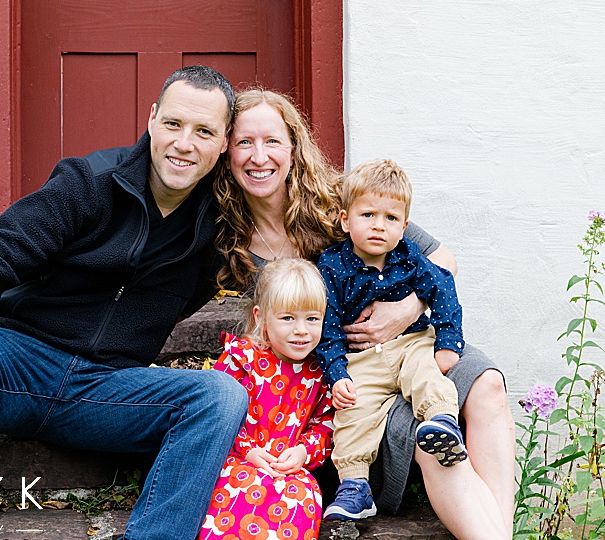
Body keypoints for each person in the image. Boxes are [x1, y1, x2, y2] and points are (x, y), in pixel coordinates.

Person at [0, 66, 249, 540]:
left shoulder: (218, 229)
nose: (184, 143)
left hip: (107, 390)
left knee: (220, 396)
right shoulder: (89, 182)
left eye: (204, 131)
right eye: (173, 124)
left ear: (222, 145)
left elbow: (314, 230)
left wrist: (396, 305)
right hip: (19, 362)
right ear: (151, 119)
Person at [214, 87, 515, 539]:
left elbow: (443, 261)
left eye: (272, 141)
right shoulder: (224, 230)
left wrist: (404, 309)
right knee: (428, 442)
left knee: (487, 384)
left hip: (412, 341)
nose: (260, 156)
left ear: (294, 145)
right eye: (245, 142)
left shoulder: (349, 200)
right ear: (226, 150)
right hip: (347, 376)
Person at [316, 159, 468, 522]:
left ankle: (443, 423)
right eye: (368, 214)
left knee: (426, 374)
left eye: (390, 218)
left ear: (404, 226)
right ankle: (355, 487)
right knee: (353, 410)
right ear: (344, 219)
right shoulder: (332, 266)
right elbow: (328, 325)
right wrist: (337, 375)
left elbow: (443, 287)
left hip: (411, 343)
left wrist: (448, 341)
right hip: (362, 359)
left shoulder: (410, 259)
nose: (378, 226)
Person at [199, 258, 335, 540]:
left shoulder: (320, 371)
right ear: (261, 316)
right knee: (237, 494)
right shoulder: (242, 358)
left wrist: (303, 453)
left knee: (304, 498)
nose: (301, 330)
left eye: (312, 318)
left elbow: (325, 424)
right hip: (238, 460)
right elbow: (213, 411)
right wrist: (246, 451)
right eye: (288, 318)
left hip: (290, 472)